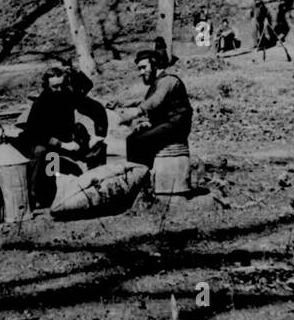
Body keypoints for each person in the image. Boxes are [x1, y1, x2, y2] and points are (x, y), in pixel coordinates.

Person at [16, 64, 109, 206]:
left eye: (62, 85)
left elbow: (96, 109)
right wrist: (63, 145)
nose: (59, 89)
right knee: (45, 155)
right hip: (50, 146)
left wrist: (98, 135)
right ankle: (36, 196)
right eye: (54, 87)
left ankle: (100, 189)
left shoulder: (68, 94)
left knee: (98, 148)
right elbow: (36, 133)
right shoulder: (42, 104)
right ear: (47, 86)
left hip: (70, 143)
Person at [118, 49, 193, 168]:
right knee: (133, 137)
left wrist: (136, 111)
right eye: (139, 69)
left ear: (155, 65)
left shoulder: (168, 80)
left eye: (144, 67)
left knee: (136, 141)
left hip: (176, 127)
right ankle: (146, 172)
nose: (141, 72)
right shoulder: (157, 83)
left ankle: (143, 177)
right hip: (167, 125)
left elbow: (156, 101)